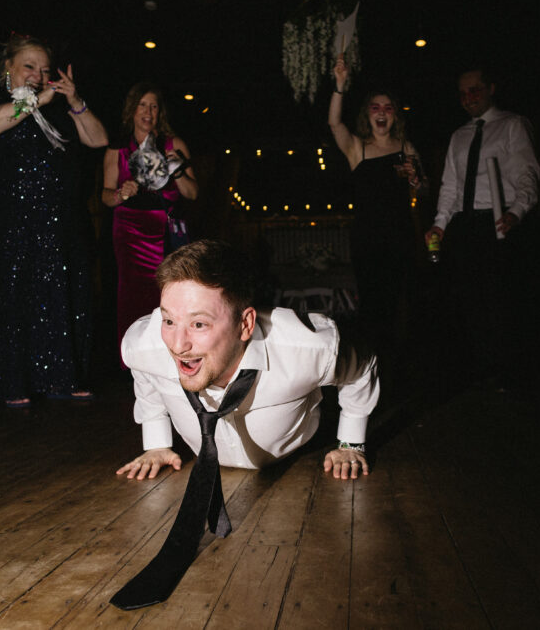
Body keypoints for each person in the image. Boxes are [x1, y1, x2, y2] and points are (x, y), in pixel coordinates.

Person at [116, 239, 378, 481]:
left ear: (245, 324)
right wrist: (156, 442)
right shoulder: (143, 345)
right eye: (169, 320)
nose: (177, 344)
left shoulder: (310, 348)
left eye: (198, 324)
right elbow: (145, 372)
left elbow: (363, 366)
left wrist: (350, 442)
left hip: (298, 458)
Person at [0, 34, 107, 407]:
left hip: (57, 218)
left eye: (44, 70)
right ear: (7, 67)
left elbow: (98, 140)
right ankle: (12, 381)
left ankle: (62, 376)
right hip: (9, 217)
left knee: (57, 294)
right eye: (29, 67)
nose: (39, 76)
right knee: (13, 294)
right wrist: (34, 100)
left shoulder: (57, 105)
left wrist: (73, 100)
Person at [424, 66, 540, 391]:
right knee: (468, 300)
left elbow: (527, 174)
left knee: (501, 300)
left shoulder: (511, 126)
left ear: (490, 88)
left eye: (474, 90)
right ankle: (479, 369)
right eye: (462, 93)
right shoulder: (459, 136)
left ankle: (508, 372)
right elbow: (450, 187)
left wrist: (516, 211)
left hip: (499, 221)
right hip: (465, 225)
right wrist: (439, 224)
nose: (468, 98)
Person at [329, 55, 422, 358]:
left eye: (388, 107)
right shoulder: (358, 147)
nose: (381, 113)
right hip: (368, 238)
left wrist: (417, 181)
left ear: (395, 115)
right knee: (372, 305)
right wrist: (340, 86)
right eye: (375, 107)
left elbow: (421, 191)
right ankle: (373, 367)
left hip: (401, 236)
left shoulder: (407, 147)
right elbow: (334, 122)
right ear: (367, 115)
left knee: (400, 303)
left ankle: (399, 364)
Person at [102, 83, 198, 356]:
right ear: (132, 111)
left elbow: (192, 193)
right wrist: (121, 193)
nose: (148, 111)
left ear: (160, 112)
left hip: (168, 229)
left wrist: (176, 170)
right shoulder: (117, 148)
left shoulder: (174, 144)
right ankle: (135, 357)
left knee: (172, 293)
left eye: (153, 106)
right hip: (130, 230)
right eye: (142, 105)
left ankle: (175, 352)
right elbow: (105, 196)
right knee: (133, 294)